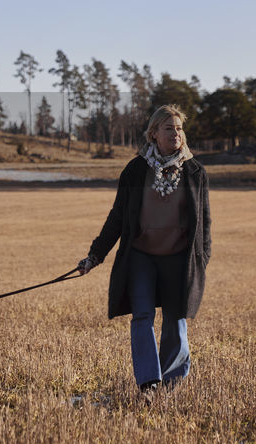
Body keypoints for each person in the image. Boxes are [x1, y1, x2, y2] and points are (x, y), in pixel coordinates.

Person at [76, 104, 211, 393]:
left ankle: (171, 385)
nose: (176, 133)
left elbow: (205, 222)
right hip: (141, 258)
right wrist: (94, 256)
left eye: (178, 128)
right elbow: (117, 216)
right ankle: (149, 383)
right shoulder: (136, 171)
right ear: (153, 134)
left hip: (179, 259)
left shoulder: (195, 172)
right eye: (168, 128)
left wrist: (203, 258)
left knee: (176, 319)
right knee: (142, 317)